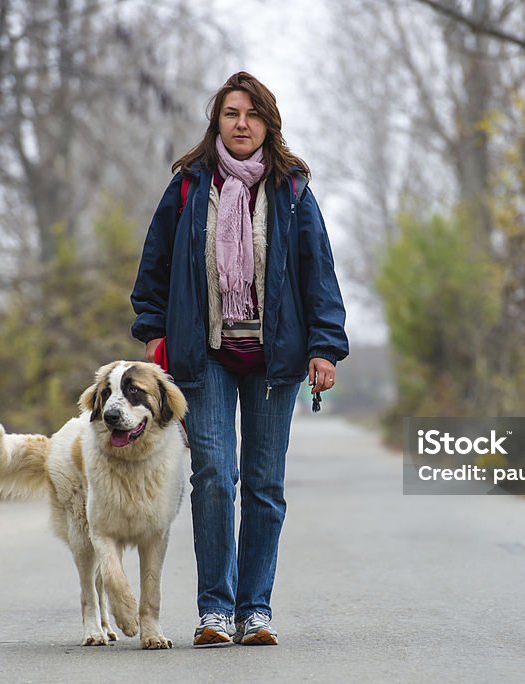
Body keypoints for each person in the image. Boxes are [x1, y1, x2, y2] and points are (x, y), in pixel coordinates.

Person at [130, 71, 348, 647]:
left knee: (263, 485)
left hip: (277, 361)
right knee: (212, 478)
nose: (242, 124)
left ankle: (256, 610)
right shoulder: (187, 188)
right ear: (217, 123)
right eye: (231, 114)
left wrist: (325, 347)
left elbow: (318, 273)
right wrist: (155, 337)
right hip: (204, 358)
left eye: (252, 114)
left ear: (267, 123)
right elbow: (152, 272)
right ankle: (215, 611)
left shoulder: (293, 191)